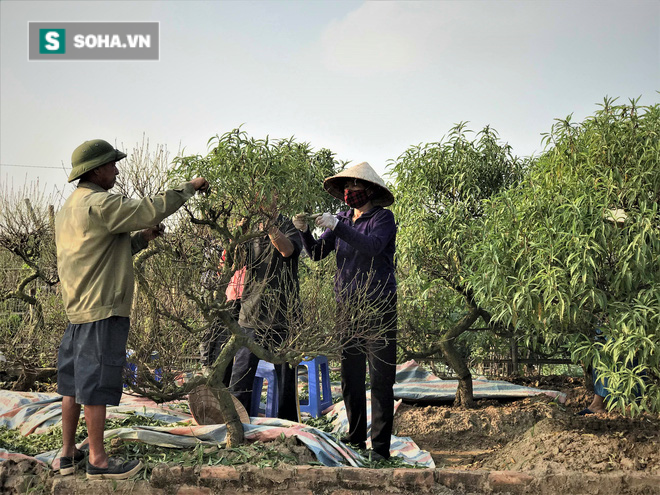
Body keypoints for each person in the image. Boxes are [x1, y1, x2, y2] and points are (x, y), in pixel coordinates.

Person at [55, 139, 208, 479]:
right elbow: (148, 208)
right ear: (97, 169)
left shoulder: (70, 207)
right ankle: (98, 461)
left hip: (78, 310)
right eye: (112, 165)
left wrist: (141, 239)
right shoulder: (100, 204)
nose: (117, 170)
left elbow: (99, 252)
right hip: (102, 309)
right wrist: (190, 188)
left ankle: (67, 454)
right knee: (94, 385)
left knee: (73, 384)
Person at [293, 162, 397, 460]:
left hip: (379, 305)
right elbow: (316, 254)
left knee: (380, 378)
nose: (349, 192)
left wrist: (339, 226)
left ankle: (380, 448)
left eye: (355, 187)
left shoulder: (382, 219)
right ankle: (355, 436)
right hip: (347, 307)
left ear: (370, 190)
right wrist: (304, 233)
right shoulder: (343, 219)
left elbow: (373, 247)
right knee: (351, 376)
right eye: (347, 187)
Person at [228, 213, 301, 422]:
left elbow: (287, 250)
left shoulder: (288, 225)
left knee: (286, 386)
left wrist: (270, 226)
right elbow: (234, 264)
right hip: (250, 316)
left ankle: (289, 432)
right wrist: (238, 236)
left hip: (284, 318)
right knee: (239, 381)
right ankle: (237, 427)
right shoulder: (248, 229)